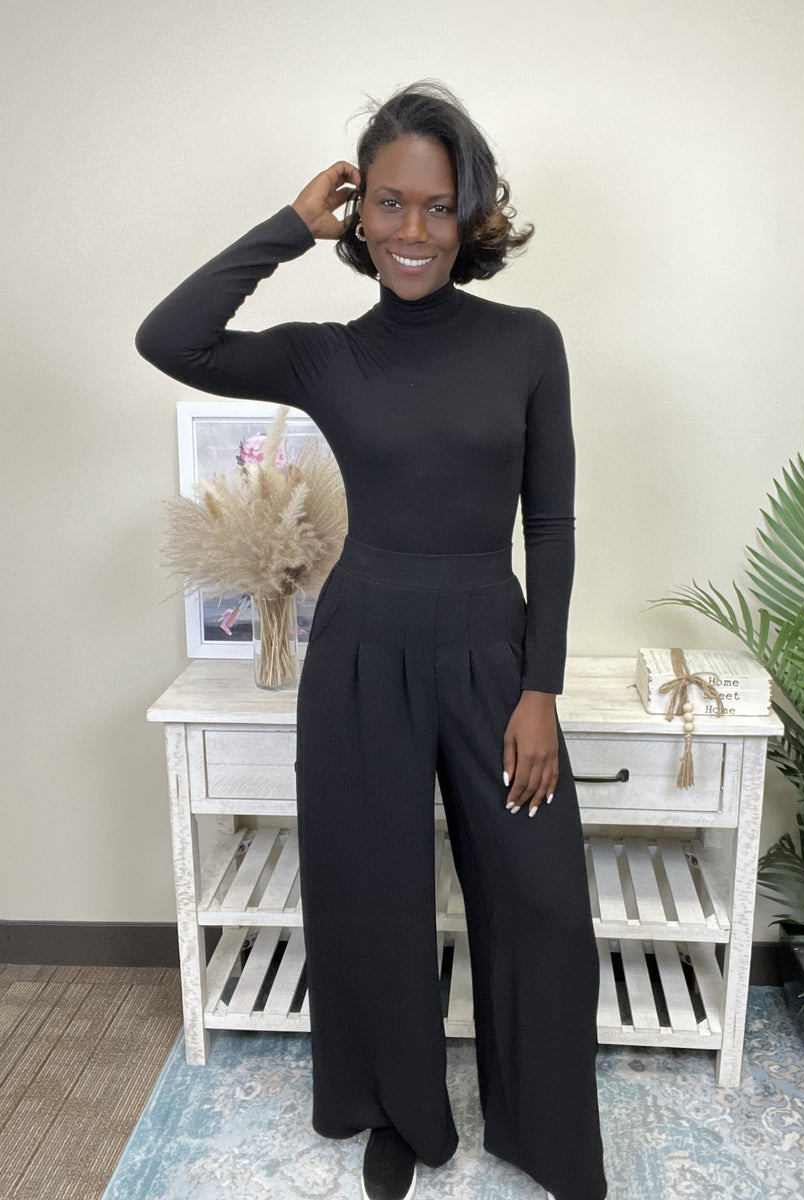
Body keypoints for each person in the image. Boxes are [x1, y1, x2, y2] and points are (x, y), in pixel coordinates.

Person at [135, 80, 607, 1200]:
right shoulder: (326, 356)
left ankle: (545, 1131)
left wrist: (540, 689)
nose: (412, 231)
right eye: (388, 203)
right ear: (358, 213)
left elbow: (549, 525)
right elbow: (169, 337)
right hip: (359, 655)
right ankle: (400, 1112)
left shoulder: (528, 343)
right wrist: (287, 226)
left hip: (491, 653)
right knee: (372, 896)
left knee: (540, 903)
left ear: (472, 214)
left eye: (438, 206)